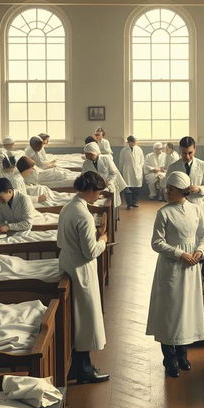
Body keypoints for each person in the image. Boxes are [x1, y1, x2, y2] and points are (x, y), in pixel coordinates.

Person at [145, 171, 204, 378]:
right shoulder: (163, 213)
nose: (167, 191)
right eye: (167, 188)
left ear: (182, 191)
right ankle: (169, 358)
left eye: (170, 189)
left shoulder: (196, 209)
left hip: (192, 265)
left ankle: (183, 353)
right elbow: (156, 243)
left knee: (186, 310)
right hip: (172, 266)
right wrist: (180, 254)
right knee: (171, 310)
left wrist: (200, 250)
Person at [57, 171, 110, 384]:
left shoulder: (68, 208)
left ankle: (78, 366)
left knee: (78, 320)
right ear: (89, 190)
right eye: (98, 192)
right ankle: (85, 370)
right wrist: (103, 240)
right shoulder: (84, 215)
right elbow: (90, 251)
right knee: (86, 320)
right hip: (81, 268)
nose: (98, 196)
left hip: (68, 262)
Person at [165, 136, 204, 284]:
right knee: (184, 237)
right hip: (180, 208)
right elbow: (166, 187)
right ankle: (184, 268)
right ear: (180, 150)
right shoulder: (173, 167)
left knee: (202, 236)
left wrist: (199, 188)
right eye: (184, 153)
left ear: (195, 149)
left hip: (198, 204)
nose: (187, 156)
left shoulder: (203, 165)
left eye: (190, 153)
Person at [82, 142, 120, 206]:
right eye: (86, 154)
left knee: (113, 204)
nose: (87, 156)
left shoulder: (106, 159)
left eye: (90, 154)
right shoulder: (86, 163)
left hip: (108, 185)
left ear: (95, 153)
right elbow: (85, 176)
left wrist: (109, 182)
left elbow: (114, 172)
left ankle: (115, 215)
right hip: (95, 188)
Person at [118, 135, 144, 209]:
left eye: (135, 142)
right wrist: (121, 171)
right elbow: (121, 161)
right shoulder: (124, 150)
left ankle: (134, 202)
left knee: (136, 188)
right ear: (128, 142)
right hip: (127, 171)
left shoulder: (139, 149)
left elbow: (142, 160)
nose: (134, 144)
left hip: (137, 170)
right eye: (132, 142)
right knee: (128, 188)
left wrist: (139, 167)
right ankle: (129, 204)